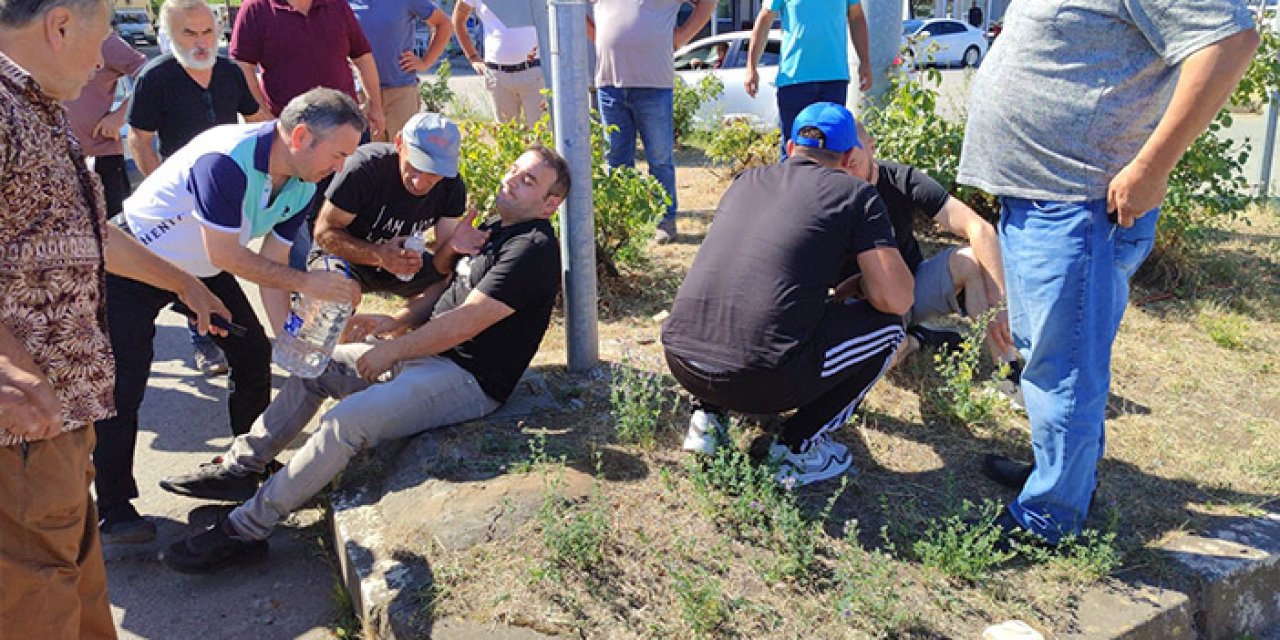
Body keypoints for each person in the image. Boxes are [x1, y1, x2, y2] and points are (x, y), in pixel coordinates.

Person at [157, 146, 571, 573]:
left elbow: (466, 321)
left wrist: (392, 349)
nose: (512, 179)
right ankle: (243, 466)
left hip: (466, 378)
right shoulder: (495, 230)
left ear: (550, 203)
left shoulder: (532, 247)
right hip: (427, 355)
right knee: (315, 365)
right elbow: (443, 295)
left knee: (346, 423)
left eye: (528, 181)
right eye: (514, 169)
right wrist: (396, 322)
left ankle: (244, 529)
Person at [957, 0, 1257, 544]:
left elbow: (1231, 41)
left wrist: (1151, 167)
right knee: (1049, 353)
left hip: (1079, 206)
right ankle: (1062, 478)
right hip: (1040, 200)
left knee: (1065, 365)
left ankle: (1051, 516)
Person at [0, 0, 229, 633]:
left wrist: (186, 284)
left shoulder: (41, 109)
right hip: (19, 423)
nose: (109, 60)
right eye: (104, 38)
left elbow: (96, 233)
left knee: (73, 576)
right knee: (32, 594)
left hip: (65, 411)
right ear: (60, 25)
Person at [93, 88, 366, 545]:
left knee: (253, 350)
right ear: (300, 136)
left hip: (202, 270)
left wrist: (289, 340)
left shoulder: (303, 179)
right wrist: (307, 285)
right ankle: (114, 509)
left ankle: (245, 465)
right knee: (125, 385)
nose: (340, 167)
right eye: (338, 154)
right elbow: (229, 253)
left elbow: (272, 263)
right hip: (135, 263)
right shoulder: (225, 159)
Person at [663, 102, 913, 486]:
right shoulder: (856, 195)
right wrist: (861, 285)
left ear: (791, 148)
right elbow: (896, 299)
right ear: (850, 158)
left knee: (738, 296)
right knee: (890, 328)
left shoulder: (746, 180)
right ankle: (799, 448)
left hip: (683, 362)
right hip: (764, 379)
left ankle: (707, 420)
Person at [129, 0, 266, 377]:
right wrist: (158, 186)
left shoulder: (229, 73)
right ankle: (202, 340)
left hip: (225, 192)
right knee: (181, 269)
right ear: (167, 33)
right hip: (177, 196)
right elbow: (140, 140)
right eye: (189, 33)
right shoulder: (156, 77)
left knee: (213, 265)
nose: (202, 42)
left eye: (208, 31)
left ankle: (219, 334)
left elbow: (256, 120)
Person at [837, 122, 1015, 370]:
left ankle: (1007, 367)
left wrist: (999, 304)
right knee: (881, 359)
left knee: (972, 259)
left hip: (909, 289)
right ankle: (918, 339)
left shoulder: (902, 180)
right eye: (837, 165)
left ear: (871, 148)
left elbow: (980, 228)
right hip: (858, 301)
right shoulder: (829, 190)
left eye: (853, 163)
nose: (846, 174)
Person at [588, 0, 715, 243]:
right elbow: (567, 7)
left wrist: (682, 36)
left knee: (659, 159)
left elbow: (708, 3)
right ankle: (622, 222)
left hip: (654, 86)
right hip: (609, 85)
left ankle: (664, 220)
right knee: (616, 159)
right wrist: (598, 35)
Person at [313, 112, 469, 305]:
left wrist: (455, 246)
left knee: (457, 284)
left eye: (434, 174)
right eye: (415, 166)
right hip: (346, 256)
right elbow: (323, 233)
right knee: (340, 291)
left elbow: (441, 263)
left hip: (402, 262)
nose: (419, 183)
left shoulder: (451, 186)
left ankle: (398, 329)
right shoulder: (364, 168)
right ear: (399, 143)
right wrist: (379, 255)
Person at [229, 0, 384, 134]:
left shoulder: (337, 4)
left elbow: (362, 56)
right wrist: (263, 118)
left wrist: (375, 106)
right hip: (292, 133)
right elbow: (243, 66)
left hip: (345, 125)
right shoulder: (256, 8)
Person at [744, 0, 871, 157]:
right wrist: (751, 67)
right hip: (794, 79)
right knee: (794, 148)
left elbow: (857, 18)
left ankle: (829, 182)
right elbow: (764, 20)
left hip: (834, 78)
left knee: (833, 148)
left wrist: (865, 61)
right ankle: (790, 181)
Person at [62, 32, 145, 217]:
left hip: (100, 156)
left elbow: (149, 74)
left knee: (112, 231)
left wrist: (120, 115)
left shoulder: (104, 39)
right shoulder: (35, 34)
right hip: (52, 156)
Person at [349, 0, 451, 143]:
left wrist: (425, 62)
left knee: (402, 155)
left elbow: (444, 24)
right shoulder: (344, 4)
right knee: (364, 158)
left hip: (400, 93)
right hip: (361, 95)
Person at [452, 0, 543, 127]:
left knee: (542, 136)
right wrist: (473, 57)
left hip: (534, 72)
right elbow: (458, 19)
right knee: (507, 137)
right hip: (498, 76)